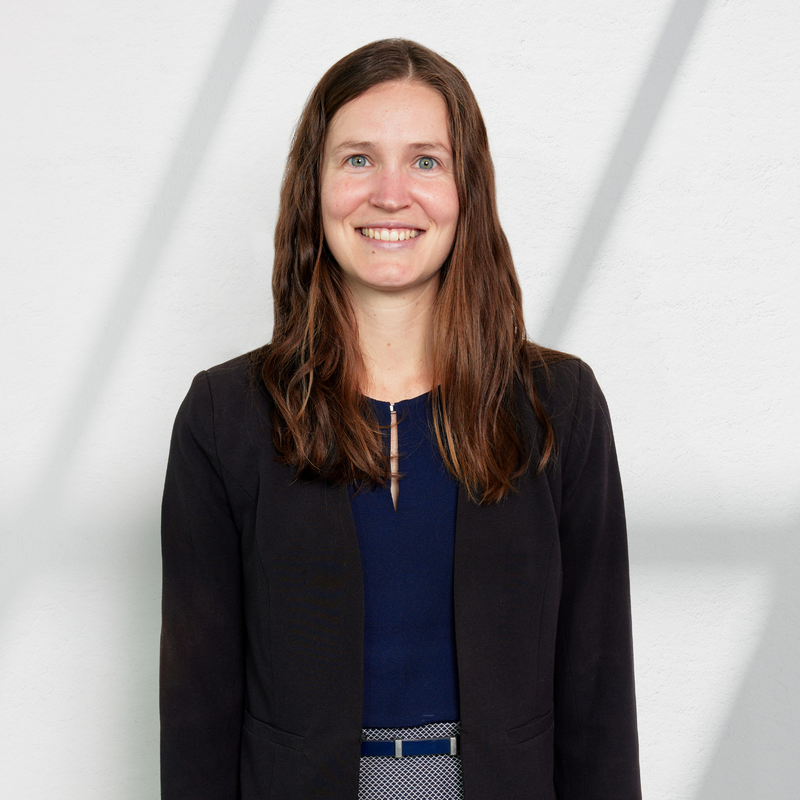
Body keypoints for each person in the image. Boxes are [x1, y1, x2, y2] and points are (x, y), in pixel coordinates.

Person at [160, 38, 642, 800]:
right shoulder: (225, 418)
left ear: (466, 192)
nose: (391, 193)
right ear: (313, 187)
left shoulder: (560, 406)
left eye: (425, 161)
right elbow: (198, 713)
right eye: (357, 159)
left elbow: (598, 688)